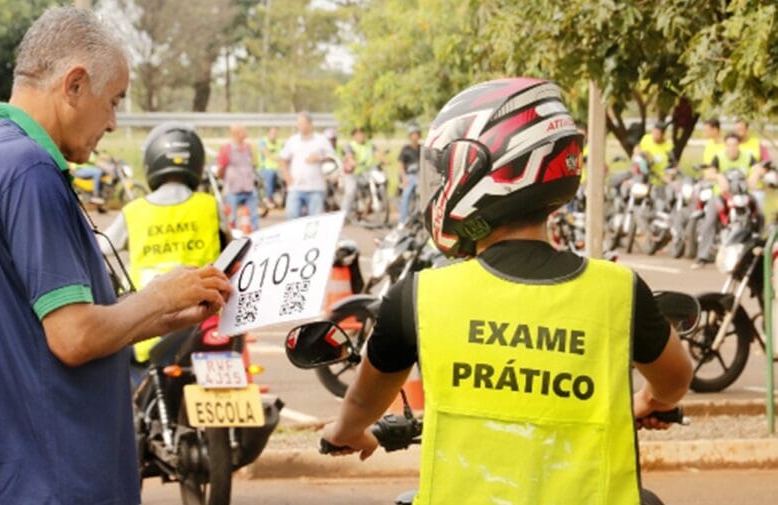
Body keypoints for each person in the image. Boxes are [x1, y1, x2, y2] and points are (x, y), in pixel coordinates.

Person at [320, 79, 693, 505]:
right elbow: (675, 379)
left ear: (477, 171)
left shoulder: (420, 295)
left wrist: (346, 433)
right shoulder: (620, 290)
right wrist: (649, 400)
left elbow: (365, 400)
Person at [0, 8, 230, 504]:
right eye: (112, 101)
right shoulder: (31, 172)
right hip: (49, 476)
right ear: (73, 85)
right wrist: (159, 295)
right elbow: (72, 337)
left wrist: (169, 316)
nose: (113, 122)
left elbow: (30, 329)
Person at [99, 123, 230, 363]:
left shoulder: (134, 211)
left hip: (149, 324)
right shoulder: (209, 205)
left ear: (151, 162)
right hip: (206, 323)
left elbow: (101, 249)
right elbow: (231, 247)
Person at [693, 133, 764, 269]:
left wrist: (755, 175)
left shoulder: (748, 156)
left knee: (759, 216)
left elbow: (758, 169)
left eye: (735, 145)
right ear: (725, 146)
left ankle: (756, 254)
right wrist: (719, 177)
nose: (732, 148)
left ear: (739, 145)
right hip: (721, 196)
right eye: (729, 145)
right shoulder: (719, 157)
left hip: (742, 195)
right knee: (710, 221)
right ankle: (701, 257)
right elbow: (708, 173)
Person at [280, 112, 334, 219]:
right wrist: (287, 176)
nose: (300, 126)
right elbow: (283, 159)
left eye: (302, 123)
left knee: (314, 222)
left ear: (310, 124)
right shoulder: (293, 140)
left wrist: (319, 158)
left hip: (316, 188)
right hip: (296, 187)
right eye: (298, 124)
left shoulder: (321, 140)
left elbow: (332, 157)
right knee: (292, 218)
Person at [218, 123, 260, 230]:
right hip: (233, 189)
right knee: (231, 219)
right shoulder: (226, 149)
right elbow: (221, 169)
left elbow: (253, 164)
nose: (246, 133)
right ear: (236, 133)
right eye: (243, 131)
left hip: (249, 188)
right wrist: (227, 180)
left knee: (253, 219)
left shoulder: (249, 147)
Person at [341, 127, 378, 218]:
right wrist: (353, 161)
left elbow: (378, 153)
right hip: (352, 172)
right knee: (351, 191)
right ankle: (343, 215)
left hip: (366, 171)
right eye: (358, 134)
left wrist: (385, 160)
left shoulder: (369, 144)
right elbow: (349, 156)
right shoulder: (350, 145)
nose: (361, 136)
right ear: (354, 136)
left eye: (362, 133)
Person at [258, 126, 282, 208]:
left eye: (275, 133)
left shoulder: (280, 143)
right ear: (268, 133)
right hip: (264, 168)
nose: (274, 135)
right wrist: (277, 158)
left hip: (278, 168)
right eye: (272, 133)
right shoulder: (262, 142)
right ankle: (268, 198)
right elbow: (267, 154)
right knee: (270, 174)